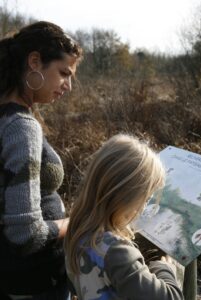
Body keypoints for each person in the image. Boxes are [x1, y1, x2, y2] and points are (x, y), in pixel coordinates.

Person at [0, 21, 83, 299]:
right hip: (35, 282)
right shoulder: (20, 127)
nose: (68, 86)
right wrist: (77, 222)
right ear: (35, 61)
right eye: (63, 73)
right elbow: (26, 233)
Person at [64, 134, 184, 300]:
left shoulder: (78, 232)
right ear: (127, 198)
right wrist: (164, 269)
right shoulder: (118, 252)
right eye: (146, 197)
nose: (144, 206)